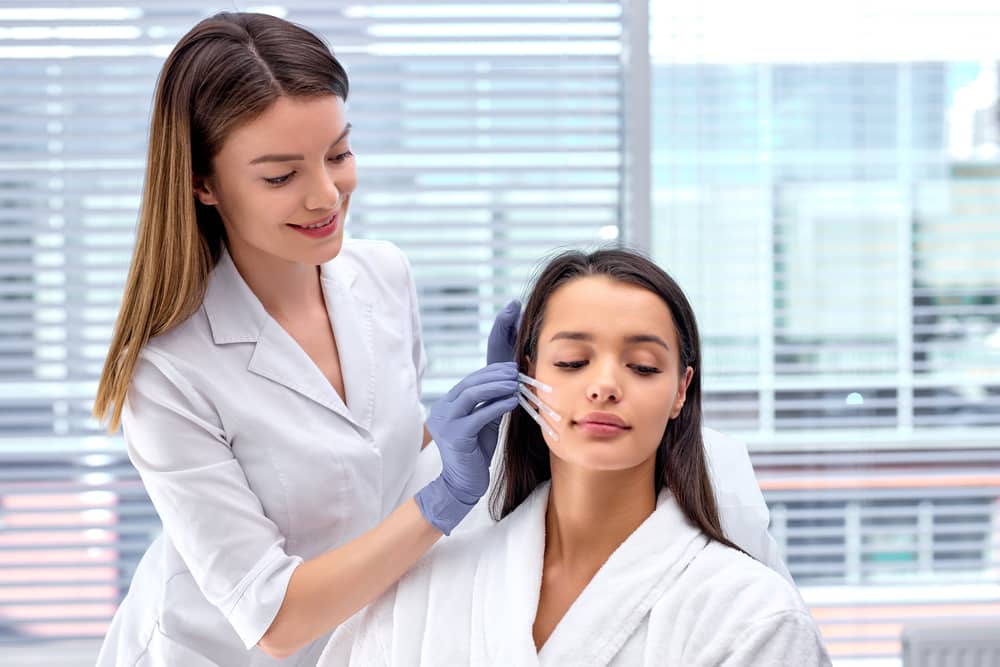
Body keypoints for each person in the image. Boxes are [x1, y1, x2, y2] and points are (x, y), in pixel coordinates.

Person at [91, 12, 521, 665]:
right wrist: (443, 500)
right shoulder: (167, 369)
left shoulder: (385, 275)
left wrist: (463, 425)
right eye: (280, 176)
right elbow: (274, 620)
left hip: (362, 641)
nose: (326, 195)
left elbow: (363, 456)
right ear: (203, 183)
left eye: (338, 154)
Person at [319, 249, 831, 666]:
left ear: (681, 391)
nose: (604, 386)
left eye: (643, 366)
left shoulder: (752, 616)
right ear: (525, 374)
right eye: (571, 361)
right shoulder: (422, 595)